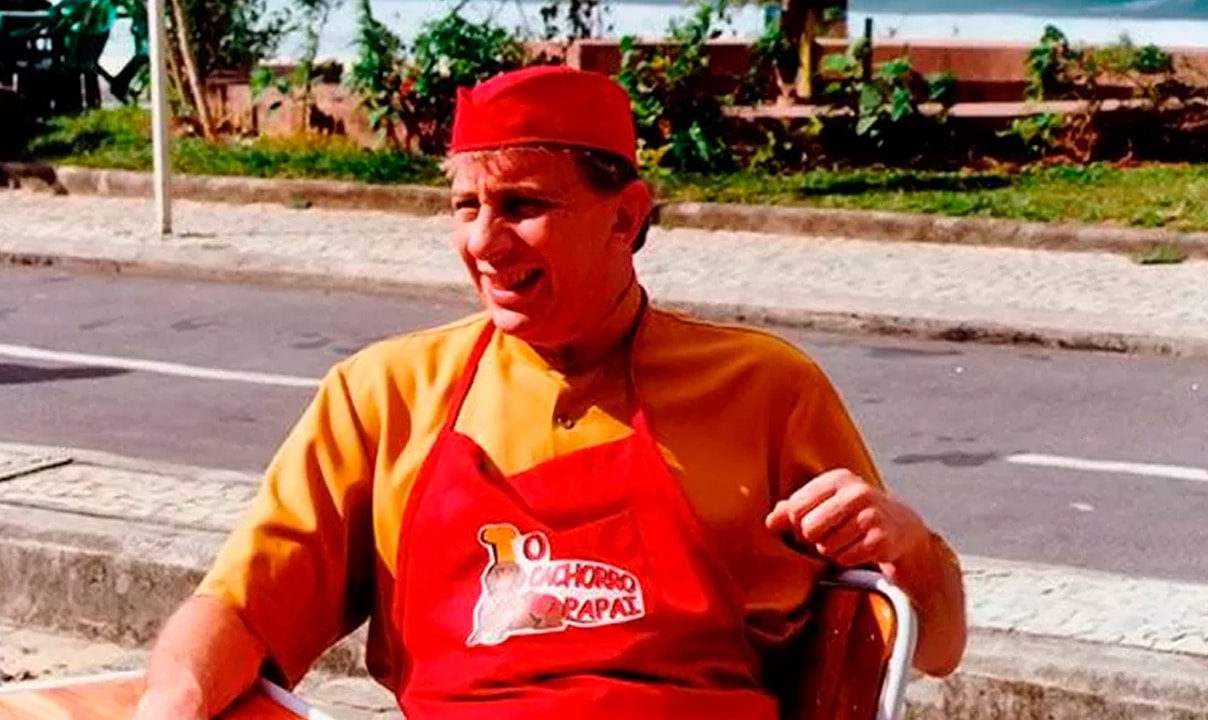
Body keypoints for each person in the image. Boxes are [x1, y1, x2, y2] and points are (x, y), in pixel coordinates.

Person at [135, 65, 966, 720]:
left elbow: (938, 647)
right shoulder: (383, 394)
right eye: (465, 206)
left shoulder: (766, 388)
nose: (484, 241)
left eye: (522, 205)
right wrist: (173, 699)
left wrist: (909, 547)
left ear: (625, 217)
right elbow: (241, 609)